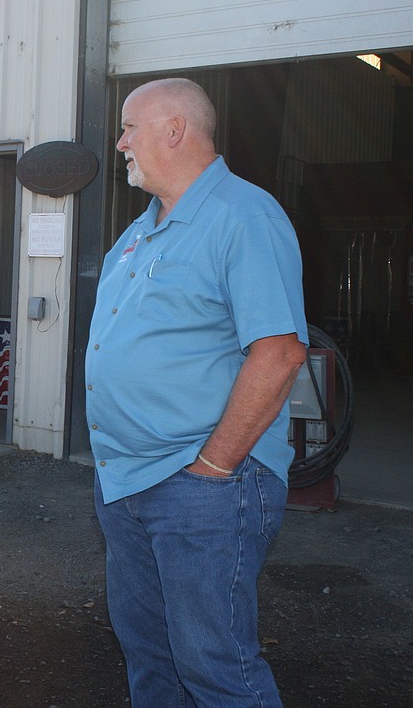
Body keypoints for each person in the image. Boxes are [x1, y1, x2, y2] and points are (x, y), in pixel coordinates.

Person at [86, 79, 309, 707]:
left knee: (215, 666)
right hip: (126, 481)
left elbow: (279, 351)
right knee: (150, 657)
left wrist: (213, 467)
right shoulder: (138, 233)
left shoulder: (244, 215)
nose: (121, 141)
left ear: (175, 129)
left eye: (130, 126)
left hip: (202, 485)